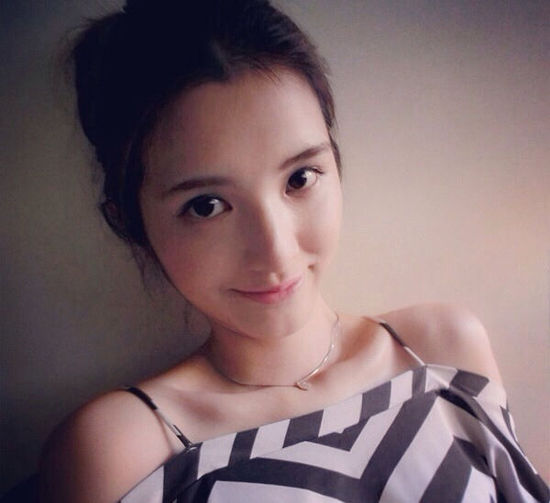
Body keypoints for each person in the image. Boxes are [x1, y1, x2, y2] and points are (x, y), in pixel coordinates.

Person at [38, 0, 549, 502]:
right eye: (207, 206)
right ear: (130, 222)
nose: (276, 251)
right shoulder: (121, 451)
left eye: (300, 178)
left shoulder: (442, 349)